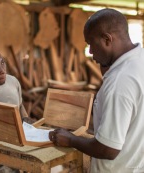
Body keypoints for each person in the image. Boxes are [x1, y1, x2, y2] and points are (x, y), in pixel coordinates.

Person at [49, 8, 144, 173]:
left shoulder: (120, 82)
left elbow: (108, 149)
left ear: (107, 39)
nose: (91, 52)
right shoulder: (139, 60)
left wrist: (71, 139)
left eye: (91, 44)